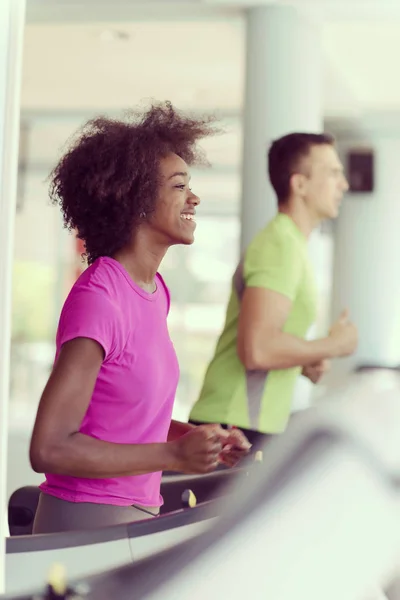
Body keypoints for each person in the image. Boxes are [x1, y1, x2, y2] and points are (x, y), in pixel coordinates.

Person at [29, 102, 250, 534]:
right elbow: (49, 448)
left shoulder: (155, 292)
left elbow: (127, 415)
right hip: (83, 523)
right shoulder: (99, 298)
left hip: (133, 517)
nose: (194, 197)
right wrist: (172, 458)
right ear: (135, 199)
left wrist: (194, 439)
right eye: (178, 186)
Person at [189, 132, 358, 448]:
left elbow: (265, 343)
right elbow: (258, 349)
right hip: (233, 425)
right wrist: (332, 345)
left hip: (249, 423)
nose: (344, 184)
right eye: (333, 173)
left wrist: (307, 358)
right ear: (300, 184)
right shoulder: (280, 244)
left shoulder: (291, 244)